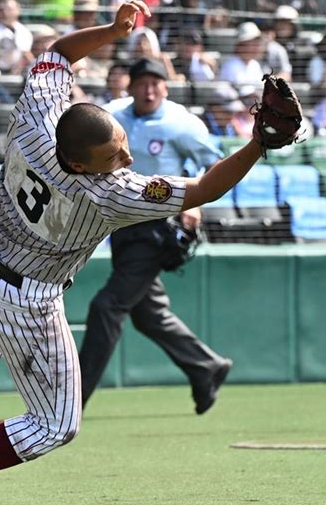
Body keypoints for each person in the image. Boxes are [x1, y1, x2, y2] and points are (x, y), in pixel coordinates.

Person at [0, 0, 269, 505]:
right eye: (114, 156)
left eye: (123, 149)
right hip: (25, 294)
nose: (125, 161)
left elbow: (55, 52)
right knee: (57, 424)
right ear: (81, 163)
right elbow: (203, 188)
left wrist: (112, 30)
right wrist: (259, 143)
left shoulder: (37, 119)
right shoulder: (104, 192)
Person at [79, 56, 231, 410]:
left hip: (157, 225)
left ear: (166, 86)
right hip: (121, 224)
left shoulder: (182, 122)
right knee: (148, 314)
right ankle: (206, 366)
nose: (149, 90)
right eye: (141, 83)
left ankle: (71, 400)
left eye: (155, 83)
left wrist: (196, 203)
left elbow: (215, 162)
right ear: (129, 86)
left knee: (107, 306)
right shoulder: (113, 113)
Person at [0, 0, 33, 74]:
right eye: (1, 9)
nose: (5, 12)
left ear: (18, 9)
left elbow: (26, 54)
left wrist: (16, 71)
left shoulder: (24, 31)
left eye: (9, 9)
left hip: (18, 71)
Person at [219, 22, 265, 88]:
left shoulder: (254, 64)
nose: (257, 48)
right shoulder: (230, 66)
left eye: (257, 43)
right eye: (253, 44)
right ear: (240, 45)